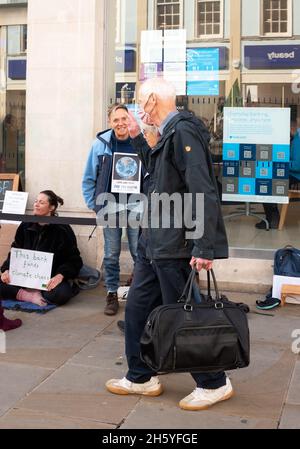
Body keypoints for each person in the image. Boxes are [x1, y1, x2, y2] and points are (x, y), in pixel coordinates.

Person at [106, 78, 232, 411]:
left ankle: (214, 382)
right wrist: (136, 137)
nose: (136, 108)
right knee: (136, 309)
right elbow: (159, 175)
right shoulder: (168, 134)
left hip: (174, 246)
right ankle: (140, 376)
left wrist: (204, 247)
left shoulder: (183, 133)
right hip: (154, 243)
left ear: (151, 101)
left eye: (138, 102)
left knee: (183, 316)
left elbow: (202, 190)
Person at [82, 104, 141, 316]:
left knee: (139, 251)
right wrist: (94, 204)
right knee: (112, 252)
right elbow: (89, 177)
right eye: (116, 120)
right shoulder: (100, 145)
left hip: (137, 204)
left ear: (130, 119)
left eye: (124, 118)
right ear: (110, 122)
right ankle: (112, 293)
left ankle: (138, 293)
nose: (120, 123)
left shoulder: (140, 140)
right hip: (110, 205)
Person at [0, 191, 83, 307]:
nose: (36, 205)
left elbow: (74, 259)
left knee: (62, 294)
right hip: (23, 277)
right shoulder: (25, 225)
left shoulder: (63, 229)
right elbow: (15, 251)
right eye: (36, 201)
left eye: (41, 202)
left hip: (48, 280)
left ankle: (31, 292)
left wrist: (60, 275)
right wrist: (6, 270)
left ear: (52, 207)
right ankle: (29, 296)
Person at [117, 123, 160, 334]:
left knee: (172, 292)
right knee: (141, 292)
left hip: (164, 239)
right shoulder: (147, 161)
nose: (144, 139)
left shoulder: (163, 162)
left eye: (147, 136)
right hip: (148, 234)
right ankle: (136, 325)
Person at [256, 120, 300, 230]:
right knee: (267, 181)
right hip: (295, 176)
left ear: (291, 129)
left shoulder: (297, 140)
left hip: (297, 178)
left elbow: (296, 165)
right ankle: (272, 217)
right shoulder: (296, 139)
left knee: (265, 183)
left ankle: (272, 218)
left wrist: (280, 162)